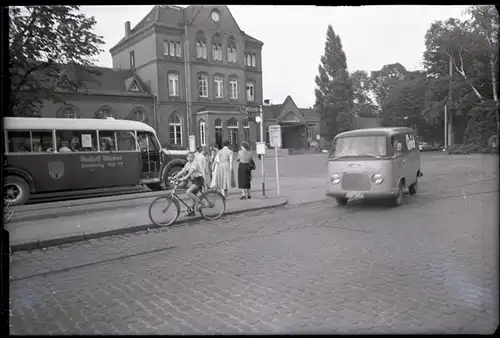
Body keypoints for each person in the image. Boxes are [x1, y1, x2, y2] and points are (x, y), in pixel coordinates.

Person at [172, 152, 205, 216]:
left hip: (199, 180)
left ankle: (201, 203)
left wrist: (184, 178)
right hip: (194, 181)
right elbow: (182, 171)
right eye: (188, 157)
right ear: (187, 158)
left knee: (188, 192)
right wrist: (174, 177)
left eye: (191, 157)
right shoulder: (187, 164)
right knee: (192, 197)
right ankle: (193, 212)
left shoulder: (195, 163)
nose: (190, 158)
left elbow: (191, 172)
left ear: (193, 157)